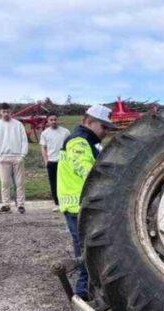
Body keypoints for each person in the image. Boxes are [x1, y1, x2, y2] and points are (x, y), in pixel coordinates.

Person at [57, 105, 119, 300]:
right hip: (78, 206)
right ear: (89, 121)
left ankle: (88, 287)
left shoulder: (87, 141)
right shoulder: (79, 141)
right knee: (86, 250)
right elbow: (86, 170)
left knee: (87, 247)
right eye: (104, 127)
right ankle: (83, 290)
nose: (106, 132)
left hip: (81, 205)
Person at [0, 103, 30, 214]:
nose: (6, 114)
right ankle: (6, 205)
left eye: (8, 111)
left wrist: (22, 155)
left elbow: (24, 140)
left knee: (20, 183)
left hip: (17, 156)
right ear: (0, 112)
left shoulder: (18, 125)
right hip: (3, 157)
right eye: (4, 112)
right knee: (4, 183)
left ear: (11, 112)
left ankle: (21, 205)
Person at [39, 112, 70, 207]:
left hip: (64, 162)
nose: (53, 122)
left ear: (58, 120)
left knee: (65, 182)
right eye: (51, 120)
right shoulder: (45, 133)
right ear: (47, 121)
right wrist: (46, 160)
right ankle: (57, 203)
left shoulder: (65, 132)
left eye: (55, 119)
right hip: (52, 162)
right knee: (54, 183)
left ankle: (66, 201)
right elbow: (43, 148)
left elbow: (70, 146)